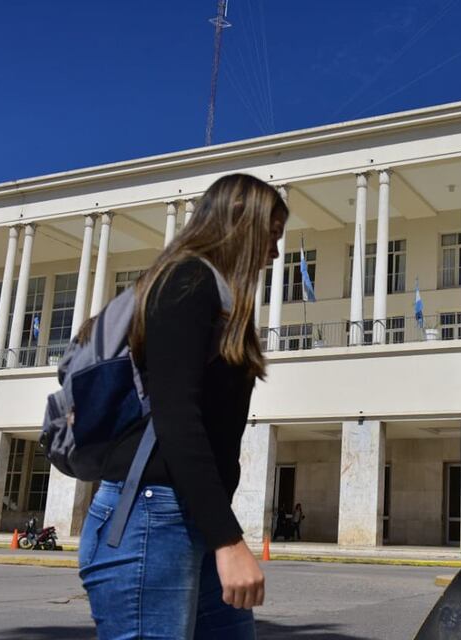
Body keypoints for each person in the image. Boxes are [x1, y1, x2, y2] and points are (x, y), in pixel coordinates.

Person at [78, 174, 287, 639]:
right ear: (241, 224)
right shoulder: (188, 279)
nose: (275, 252)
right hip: (150, 517)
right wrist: (228, 540)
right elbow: (177, 417)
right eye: (271, 234)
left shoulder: (224, 299)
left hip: (188, 516)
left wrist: (220, 530)